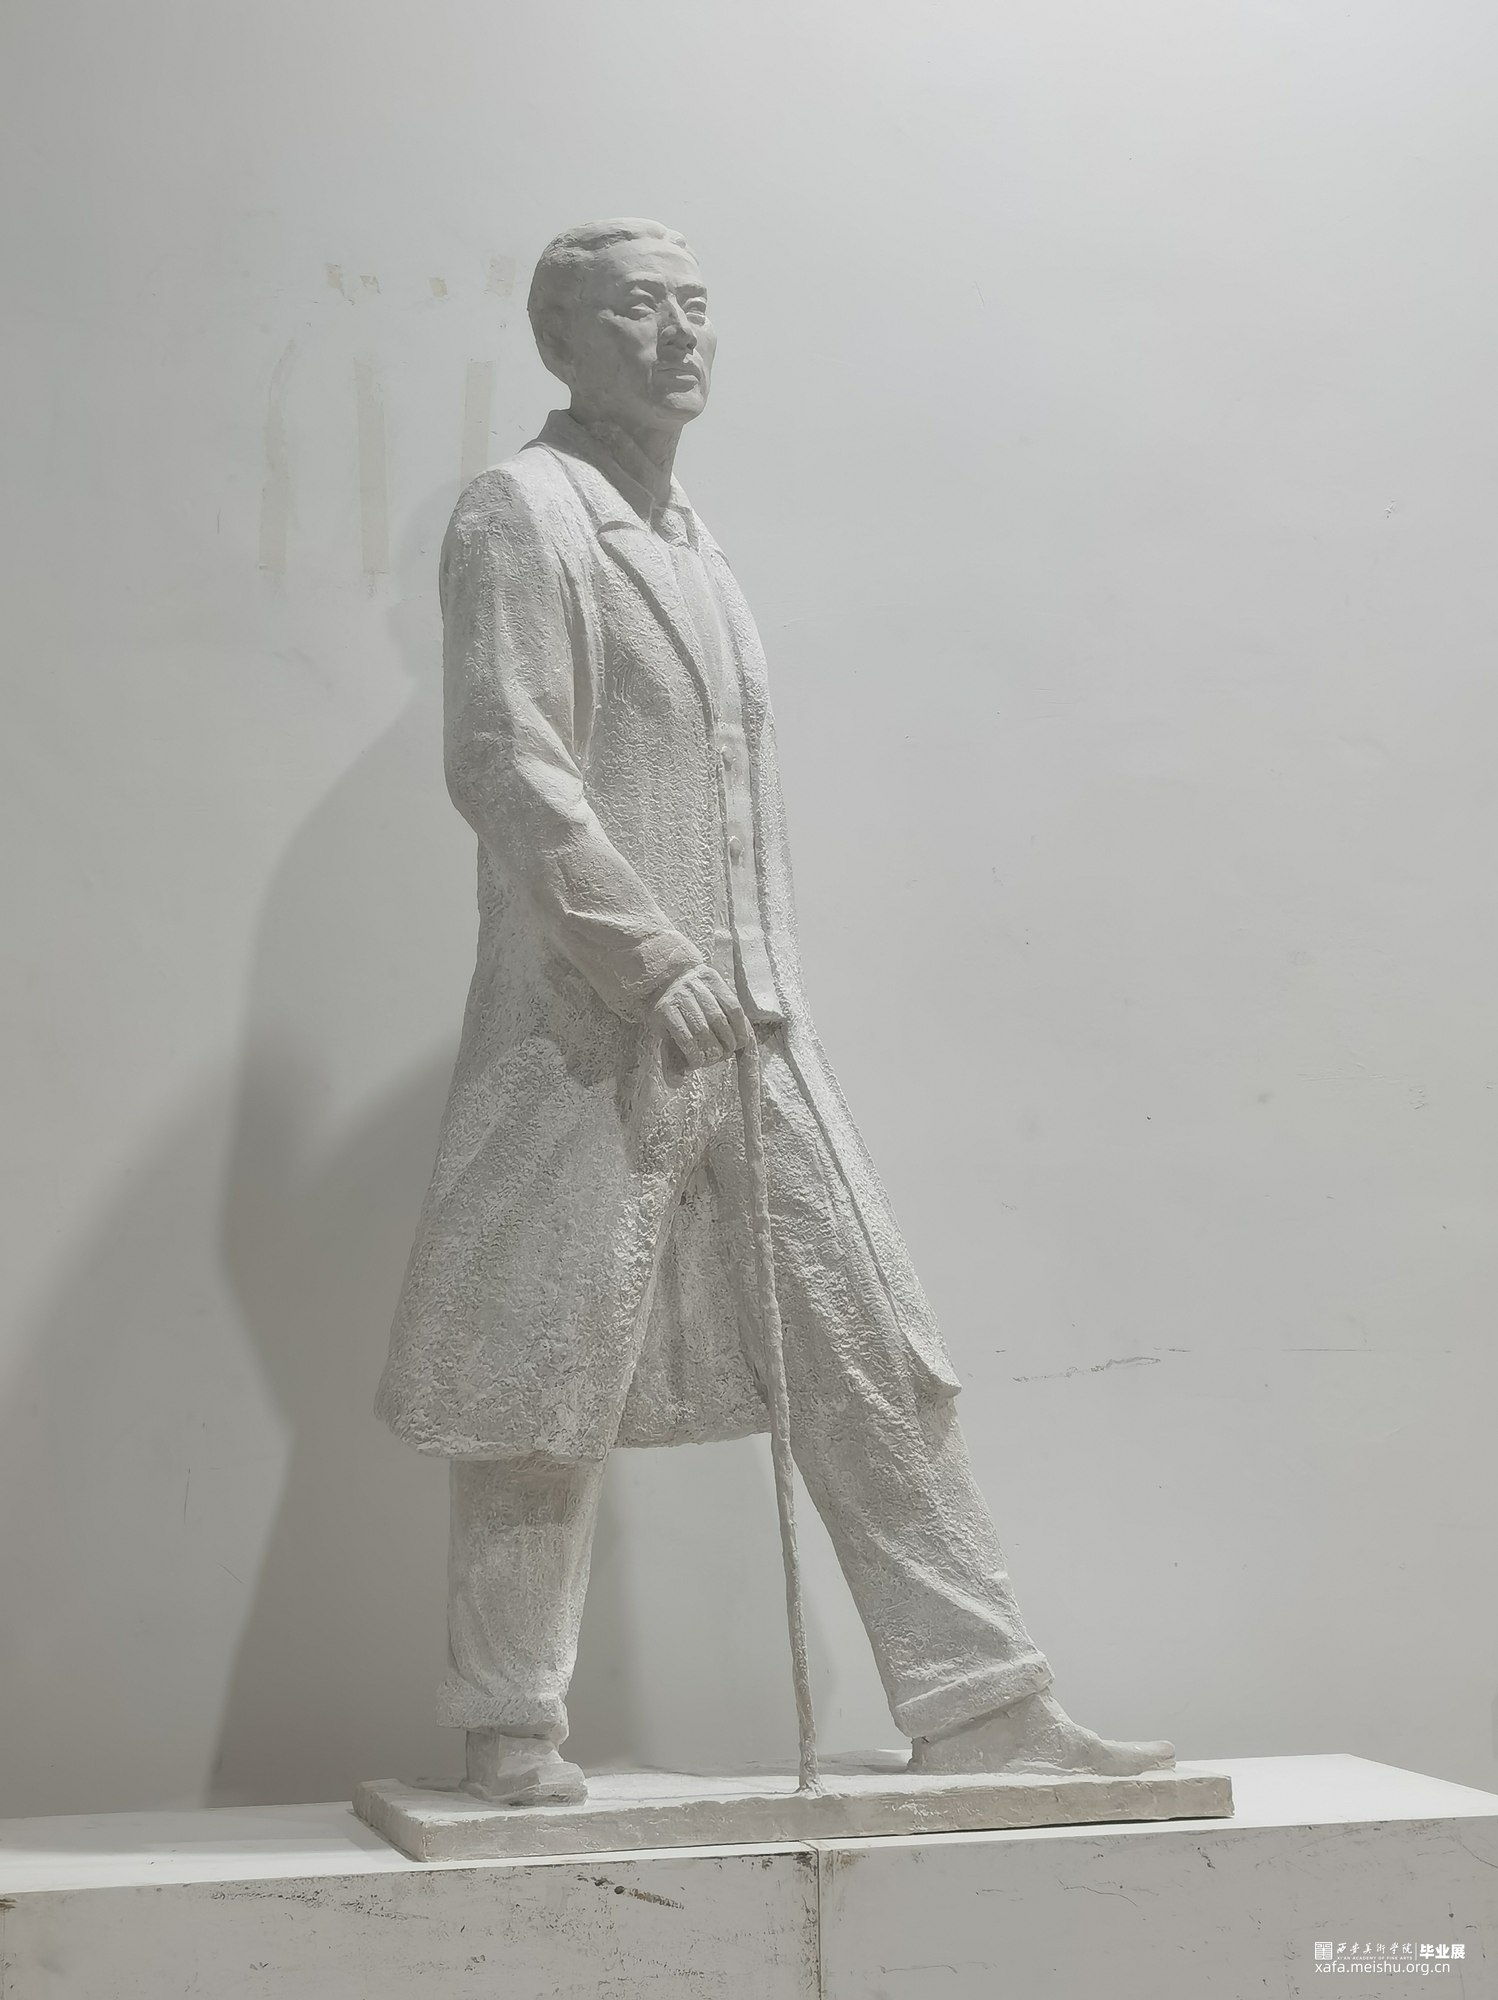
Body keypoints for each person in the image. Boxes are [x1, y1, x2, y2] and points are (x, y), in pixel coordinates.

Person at [376, 218, 1174, 1804]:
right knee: (543, 1376)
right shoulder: (523, 514)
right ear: (561, 339)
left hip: (756, 1023)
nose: (680, 335)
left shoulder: (695, 542)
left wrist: (742, 973)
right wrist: (645, 954)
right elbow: (507, 758)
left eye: (696, 308)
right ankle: (509, 1724)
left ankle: (979, 1701)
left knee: (875, 1349)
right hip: (593, 1031)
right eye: (638, 309)